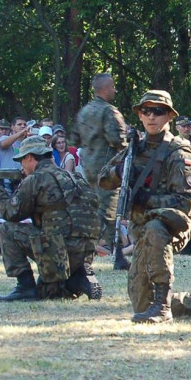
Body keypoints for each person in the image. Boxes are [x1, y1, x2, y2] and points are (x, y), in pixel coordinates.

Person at [98, 90, 191, 323]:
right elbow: (103, 180)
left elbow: (185, 200)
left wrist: (146, 200)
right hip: (141, 227)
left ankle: (163, 307)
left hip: (171, 224)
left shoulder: (179, 152)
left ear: (169, 117)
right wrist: (122, 170)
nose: (151, 117)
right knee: (140, 303)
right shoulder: (137, 147)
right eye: (146, 111)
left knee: (156, 228)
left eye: (158, 111)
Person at [0, 135, 102, 302]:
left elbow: (11, 214)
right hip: (86, 249)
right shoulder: (74, 177)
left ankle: (25, 287)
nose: (21, 166)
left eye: (22, 160)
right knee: (50, 292)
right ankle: (78, 278)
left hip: (58, 249)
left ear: (29, 157)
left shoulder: (36, 179)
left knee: (6, 229)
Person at [75, 73, 128, 267]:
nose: (115, 90)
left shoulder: (84, 112)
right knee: (107, 213)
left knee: (96, 210)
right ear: (105, 89)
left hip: (88, 167)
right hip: (106, 169)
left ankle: (117, 256)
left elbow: (76, 138)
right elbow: (118, 140)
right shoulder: (109, 112)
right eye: (113, 87)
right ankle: (84, 254)